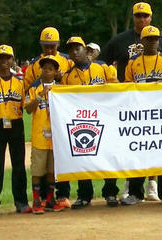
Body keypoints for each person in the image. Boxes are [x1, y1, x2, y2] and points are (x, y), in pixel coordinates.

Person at [100, 1, 162, 201]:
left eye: (145, 16)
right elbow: (102, 63)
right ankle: (134, 190)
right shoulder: (121, 42)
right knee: (135, 147)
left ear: (151, 17)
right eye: (138, 15)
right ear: (134, 17)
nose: (142, 19)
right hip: (135, 109)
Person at [61, 36, 119, 208]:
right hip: (82, 121)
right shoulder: (68, 76)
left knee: (109, 156)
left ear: (86, 50)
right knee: (82, 156)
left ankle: (110, 193)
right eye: (70, 49)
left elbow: (117, 89)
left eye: (77, 48)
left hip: (105, 118)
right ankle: (84, 195)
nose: (73, 52)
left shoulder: (102, 68)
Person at [121, 25, 162, 205]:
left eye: (155, 39)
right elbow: (127, 88)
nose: (153, 42)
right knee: (138, 151)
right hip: (140, 115)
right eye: (149, 39)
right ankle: (135, 193)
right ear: (142, 41)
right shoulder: (133, 62)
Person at [23, 26, 72, 208]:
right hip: (40, 127)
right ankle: (41, 198)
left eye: (52, 46)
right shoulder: (35, 64)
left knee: (57, 166)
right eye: (46, 46)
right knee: (40, 167)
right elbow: (27, 89)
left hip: (58, 128)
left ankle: (60, 196)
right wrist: (38, 93)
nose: (49, 49)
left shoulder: (66, 60)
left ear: (58, 44)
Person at [0, 45, 31, 217]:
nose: (4, 62)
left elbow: (26, 107)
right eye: (0, 58)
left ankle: (21, 201)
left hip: (15, 124)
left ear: (12, 60)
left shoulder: (19, 82)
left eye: (7, 58)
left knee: (18, 165)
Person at [25, 55, 64, 214]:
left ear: (55, 72)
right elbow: (27, 109)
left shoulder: (61, 89)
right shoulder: (34, 88)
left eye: (50, 69)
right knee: (37, 171)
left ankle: (49, 199)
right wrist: (40, 95)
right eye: (44, 68)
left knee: (51, 171)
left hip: (55, 137)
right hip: (39, 136)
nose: (46, 71)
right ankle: (36, 200)